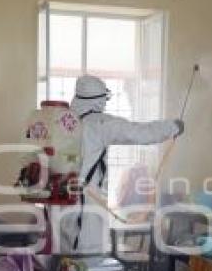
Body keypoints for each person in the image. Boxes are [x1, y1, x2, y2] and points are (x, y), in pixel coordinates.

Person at [60, 75, 184, 253]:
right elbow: (140, 132)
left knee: (62, 260)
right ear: (99, 99)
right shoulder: (99, 123)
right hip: (86, 206)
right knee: (86, 259)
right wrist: (173, 127)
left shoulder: (63, 123)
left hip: (61, 205)